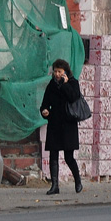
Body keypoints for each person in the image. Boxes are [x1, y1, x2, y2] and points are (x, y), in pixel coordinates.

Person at [39, 58, 83, 195]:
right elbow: (44, 103)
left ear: (65, 72)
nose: (57, 74)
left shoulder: (73, 83)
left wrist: (65, 84)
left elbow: (73, 97)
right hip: (55, 123)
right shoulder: (51, 85)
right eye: (55, 71)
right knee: (53, 155)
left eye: (59, 71)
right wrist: (44, 112)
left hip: (69, 124)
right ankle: (55, 186)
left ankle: (78, 180)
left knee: (69, 156)